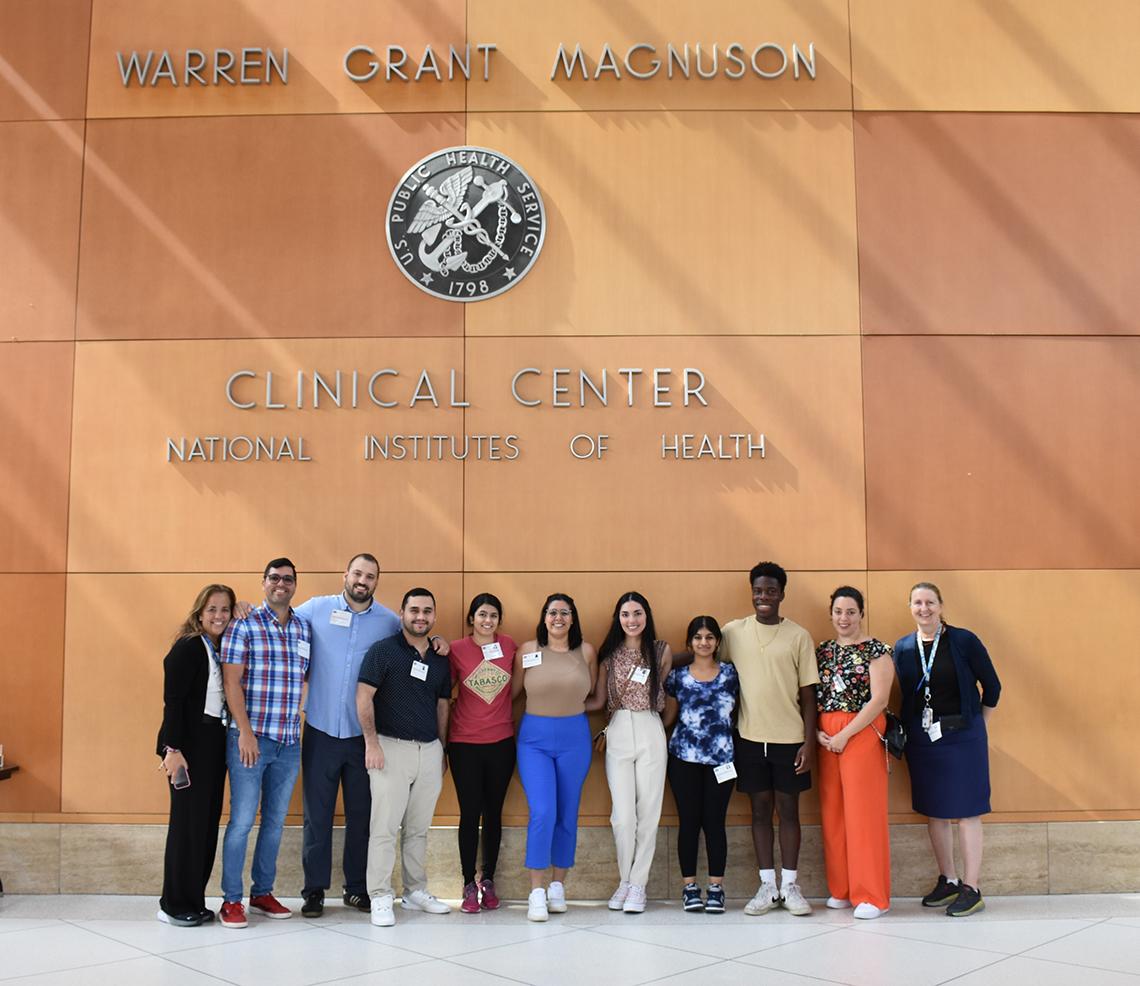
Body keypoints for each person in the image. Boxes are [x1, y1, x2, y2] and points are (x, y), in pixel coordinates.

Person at [293, 554, 398, 918]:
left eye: (370, 576)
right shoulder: (315, 609)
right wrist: (247, 607)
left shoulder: (389, 622)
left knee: (362, 816)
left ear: (376, 582)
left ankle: (356, 888)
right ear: (345, 574)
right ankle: (314, 891)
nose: (362, 580)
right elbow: (278, 618)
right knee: (316, 816)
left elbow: (413, 643)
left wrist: (437, 643)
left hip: (362, 737)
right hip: (321, 730)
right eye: (357, 573)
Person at [894, 582, 1001, 918]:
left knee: (968, 811)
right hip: (924, 739)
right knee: (935, 811)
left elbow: (993, 686)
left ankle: (972, 887)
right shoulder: (903, 647)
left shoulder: (963, 640)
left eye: (929, 602)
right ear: (909, 607)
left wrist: (976, 724)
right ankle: (949, 880)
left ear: (940, 605)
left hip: (963, 737)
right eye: (917, 603)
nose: (923, 609)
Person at [719, 561, 819, 917]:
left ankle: (790, 886)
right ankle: (767, 886)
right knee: (759, 811)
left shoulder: (799, 636)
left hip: (790, 741)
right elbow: (705, 659)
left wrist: (809, 743)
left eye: (771, 591)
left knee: (788, 811)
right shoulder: (733, 632)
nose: (763, 597)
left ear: (782, 594)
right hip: (748, 739)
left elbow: (809, 696)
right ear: (752, 592)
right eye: (758, 590)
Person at [219, 558, 311, 928]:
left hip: (289, 742)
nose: (281, 584)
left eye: (288, 579)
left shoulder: (304, 628)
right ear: (263, 583)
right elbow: (230, 684)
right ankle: (231, 899)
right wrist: (244, 732)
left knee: (274, 822)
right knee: (242, 821)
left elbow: (307, 678)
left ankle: (261, 893)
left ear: (295, 585)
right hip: (249, 740)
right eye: (274, 578)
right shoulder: (244, 624)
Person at [356, 588, 452, 927]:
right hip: (389, 748)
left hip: (428, 751)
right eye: (414, 610)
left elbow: (443, 705)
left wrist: (442, 748)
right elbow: (363, 697)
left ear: (434, 616)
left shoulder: (440, 658)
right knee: (384, 827)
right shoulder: (383, 652)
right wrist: (371, 743)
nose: (420, 616)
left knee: (418, 829)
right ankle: (380, 895)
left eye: (427, 610)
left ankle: (414, 892)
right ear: (402, 613)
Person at [513, 593, 597, 922]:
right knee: (543, 811)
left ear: (573, 618)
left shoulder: (586, 652)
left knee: (567, 813)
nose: (558, 617)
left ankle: (558, 886)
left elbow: (597, 696)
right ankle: (536, 891)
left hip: (575, 738)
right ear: (544, 617)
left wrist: (571, 710)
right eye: (552, 612)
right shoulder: (528, 650)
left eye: (565, 612)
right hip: (534, 740)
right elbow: (513, 693)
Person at [156, 583, 236, 926]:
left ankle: (194, 900)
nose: (218, 616)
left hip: (213, 742)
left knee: (204, 826)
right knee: (186, 827)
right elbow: (172, 704)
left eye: (225, 610)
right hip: (187, 746)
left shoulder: (216, 647)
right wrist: (171, 749)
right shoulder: (188, 647)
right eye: (212, 610)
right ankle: (173, 905)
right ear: (199, 614)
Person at [586, 591, 672, 913]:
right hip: (619, 729)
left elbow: (664, 690)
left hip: (650, 726)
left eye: (637, 613)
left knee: (649, 811)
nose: (632, 620)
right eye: (625, 614)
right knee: (623, 817)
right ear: (618, 618)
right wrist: (558, 707)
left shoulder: (661, 651)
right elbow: (596, 701)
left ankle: (638, 884)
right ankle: (625, 879)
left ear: (646, 616)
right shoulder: (609, 655)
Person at [815, 587, 894, 920]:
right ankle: (842, 888)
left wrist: (845, 734)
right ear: (831, 613)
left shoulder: (877, 650)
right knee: (833, 812)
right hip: (827, 736)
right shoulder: (822, 650)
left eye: (850, 611)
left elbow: (880, 700)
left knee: (864, 813)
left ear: (861, 613)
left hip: (861, 732)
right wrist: (818, 732)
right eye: (838, 611)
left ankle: (873, 895)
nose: (843, 618)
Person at [662, 616, 739, 914]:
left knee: (715, 823)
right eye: (697, 637)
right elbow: (668, 717)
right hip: (683, 759)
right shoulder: (678, 677)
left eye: (709, 637)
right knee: (689, 823)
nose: (703, 642)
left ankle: (716, 888)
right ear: (689, 641)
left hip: (722, 759)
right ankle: (689, 887)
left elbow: (739, 713)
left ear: (718, 641)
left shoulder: (731, 674)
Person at [447, 593, 517, 913]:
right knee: (469, 813)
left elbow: (516, 687)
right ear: (471, 619)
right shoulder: (456, 650)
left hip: (502, 742)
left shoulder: (510, 646)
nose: (487, 620)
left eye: (493, 615)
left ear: (498, 620)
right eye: (481, 615)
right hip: (464, 744)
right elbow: (445, 693)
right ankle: (467, 883)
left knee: (493, 812)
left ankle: (488, 880)